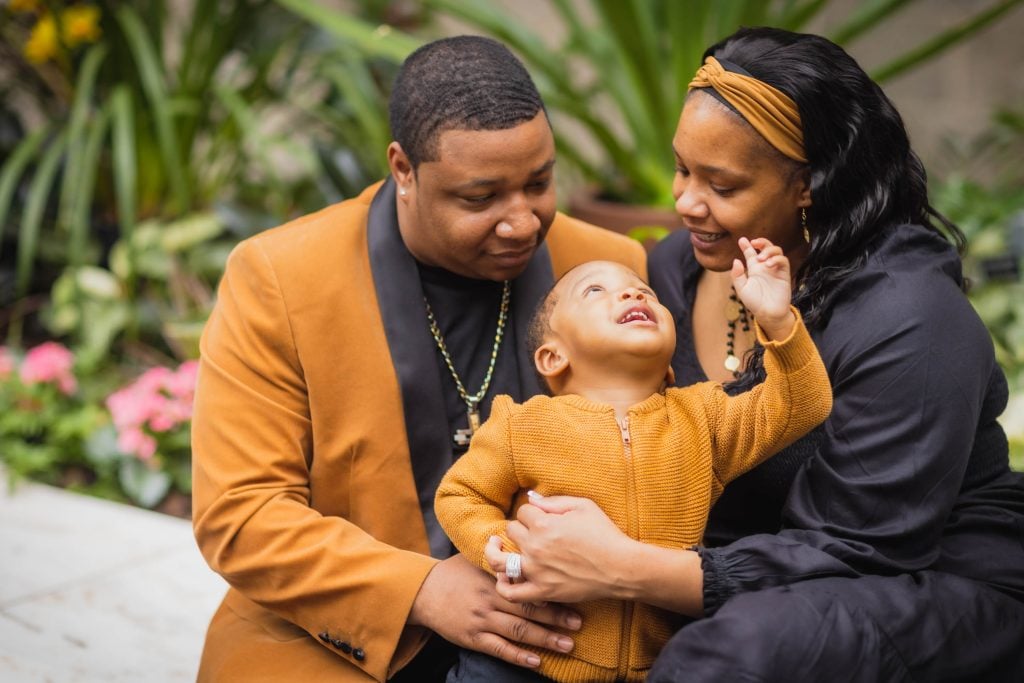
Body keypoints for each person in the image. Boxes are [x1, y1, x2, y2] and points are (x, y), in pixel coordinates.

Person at [481, 27, 1024, 682]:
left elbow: (863, 550)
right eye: (682, 168)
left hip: (927, 579)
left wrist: (624, 567)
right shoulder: (677, 271)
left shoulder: (910, 320)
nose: (684, 202)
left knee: (737, 649)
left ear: (809, 186)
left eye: (723, 184)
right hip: (729, 569)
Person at [190, 35, 646, 682]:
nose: (522, 221)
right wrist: (423, 590)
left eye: (539, 183)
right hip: (334, 641)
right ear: (403, 169)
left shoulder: (611, 268)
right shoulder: (279, 279)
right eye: (480, 197)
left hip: (565, 638)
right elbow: (242, 514)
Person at [435, 245, 832, 683]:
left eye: (645, 292)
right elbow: (461, 495)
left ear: (668, 369)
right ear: (553, 358)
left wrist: (777, 321)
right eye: (596, 290)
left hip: (658, 665)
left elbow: (802, 404)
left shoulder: (704, 417)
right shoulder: (521, 424)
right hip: (521, 659)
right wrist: (502, 549)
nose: (633, 296)